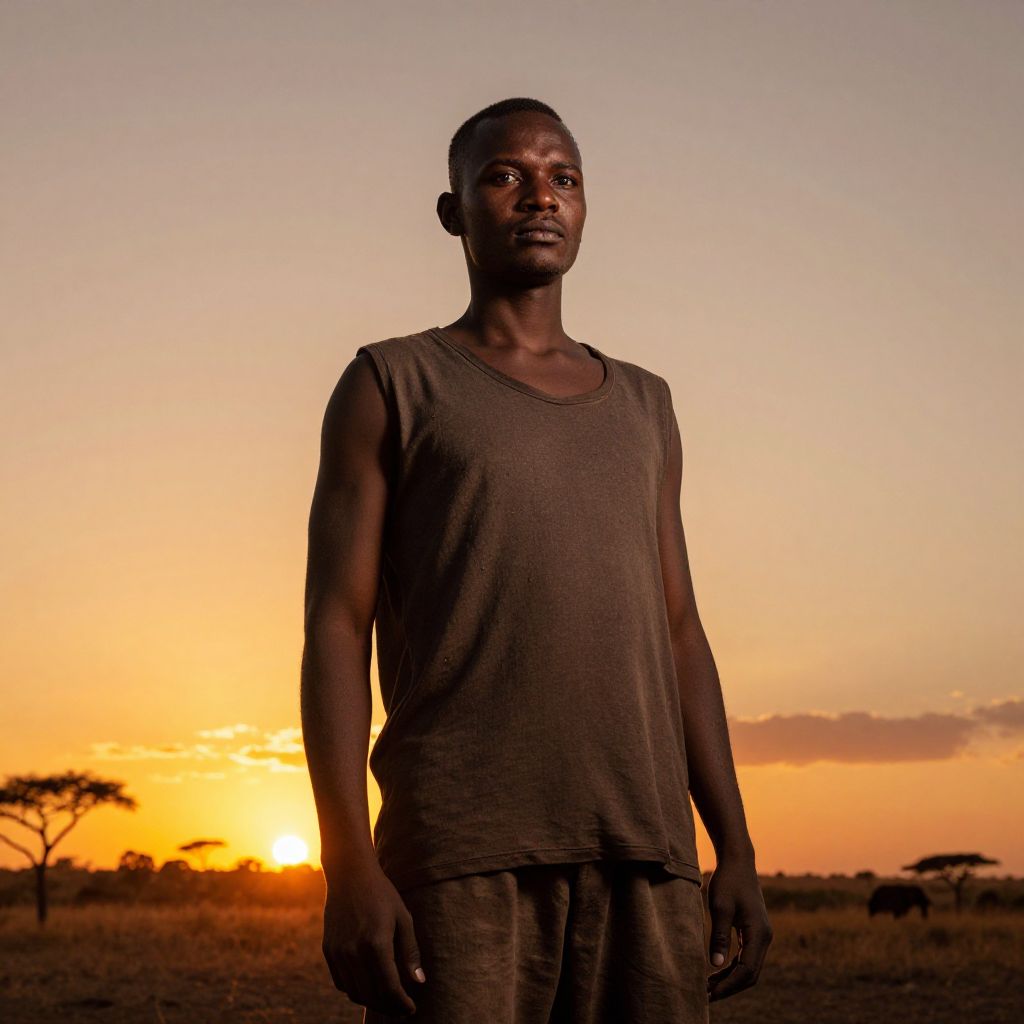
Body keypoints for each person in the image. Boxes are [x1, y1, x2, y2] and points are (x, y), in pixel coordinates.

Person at [301, 96, 772, 1023]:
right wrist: (348, 859)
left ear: (586, 207)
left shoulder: (646, 405)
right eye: (504, 174)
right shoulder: (392, 382)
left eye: (564, 178)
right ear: (453, 213)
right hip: (459, 852)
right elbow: (335, 628)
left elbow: (679, 632)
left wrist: (736, 846)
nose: (539, 197)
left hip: (647, 851)